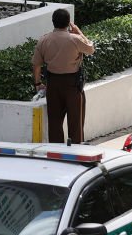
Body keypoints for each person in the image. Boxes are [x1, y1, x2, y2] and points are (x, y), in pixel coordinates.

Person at [32, 9, 95, 144]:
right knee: (75, 122)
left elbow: (36, 65)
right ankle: (76, 150)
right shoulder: (75, 39)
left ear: (53, 22)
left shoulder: (44, 39)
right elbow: (91, 49)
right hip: (72, 84)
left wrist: (38, 84)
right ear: (68, 23)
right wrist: (79, 33)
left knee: (54, 122)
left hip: (53, 84)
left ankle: (56, 150)